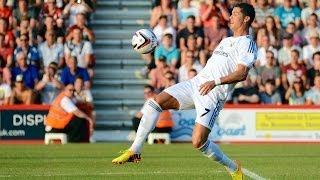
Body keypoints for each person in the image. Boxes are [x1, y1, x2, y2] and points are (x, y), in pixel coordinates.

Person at [112, 3, 257, 179]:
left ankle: (233, 167)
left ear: (247, 18)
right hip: (196, 84)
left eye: (235, 14)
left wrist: (215, 82)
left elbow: (241, 74)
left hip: (212, 95)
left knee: (198, 142)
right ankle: (135, 150)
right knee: (154, 103)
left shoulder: (247, 44)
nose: (230, 17)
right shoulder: (226, 40)